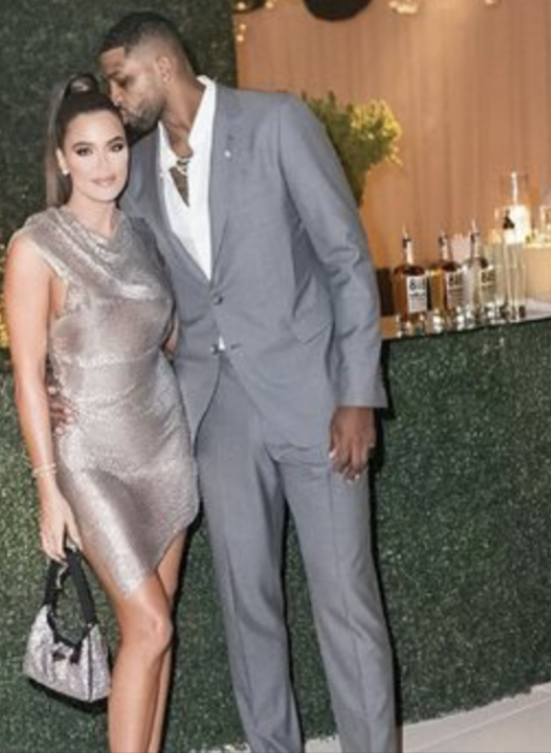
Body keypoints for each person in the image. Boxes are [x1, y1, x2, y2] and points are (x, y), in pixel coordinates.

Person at [96, 12, 397, 753]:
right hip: (217, 418)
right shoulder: (137, 173)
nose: (117, 97)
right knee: (247, 611)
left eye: (122, 79)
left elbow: (346, 259)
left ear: (162, 66)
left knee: (346, 602)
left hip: (315, 400)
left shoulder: (276, 124)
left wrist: (358, 393)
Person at [3, 74, 198, 753]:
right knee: (150, 625)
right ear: (62, 159)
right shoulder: (36, 246)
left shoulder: (143, 235)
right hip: (90, 459)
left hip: (164, 446)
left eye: (114, 146)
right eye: (84, 151)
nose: (103, 164)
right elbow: (27, 376)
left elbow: (167, 338)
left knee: (157, 632)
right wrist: (47, 487)